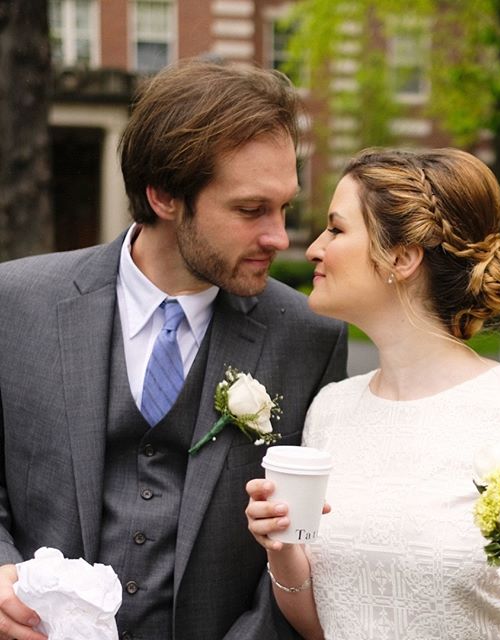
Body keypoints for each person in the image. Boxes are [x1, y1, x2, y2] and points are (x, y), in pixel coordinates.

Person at [0, 59, 347, 640]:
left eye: (283, 207)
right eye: (250, 209)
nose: (280, 238)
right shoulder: (15, 303)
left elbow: (306, 542)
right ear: (163, 195)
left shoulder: (308, 336)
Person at [245, 148, 500, 639]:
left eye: (337, 230)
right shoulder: (331, 410)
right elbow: (320, 626)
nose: (315, 247)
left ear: (401, 258)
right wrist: (282, 546)